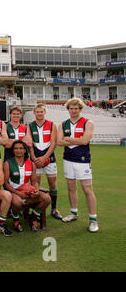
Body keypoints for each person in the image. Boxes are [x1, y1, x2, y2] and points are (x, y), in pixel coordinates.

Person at [57, 98, 98, 232]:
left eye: (76, 108)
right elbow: (59, 142)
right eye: (71, 108)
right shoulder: (63, 125)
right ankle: (73, 212)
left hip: (83, 160)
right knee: (71, 188)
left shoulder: (88, 123)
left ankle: (93, 219)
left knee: (87, 189)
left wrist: (68, 139)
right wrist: (76, 140)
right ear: (68, 109)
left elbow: (85, 140)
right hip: (68, 159)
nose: (73, 111)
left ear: (80, 109)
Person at [3, 140, 51, 232]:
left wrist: (36, 190)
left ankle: (33, 217)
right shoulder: (7, 163)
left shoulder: (31, 164)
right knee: (17, 203)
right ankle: (16, 219)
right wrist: (18, 193)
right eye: (16, 148)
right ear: (12, 150)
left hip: (27, 191)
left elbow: (34, 181)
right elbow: (5, 184)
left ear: (25, 150)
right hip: (14, 191)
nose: (19, 150)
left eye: (21, 148)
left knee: (47, 199)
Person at [26, 103, 62, 220]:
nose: (39, 114)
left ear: (44, 112)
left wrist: (45, 157)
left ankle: (54, 208)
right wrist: (34, 158)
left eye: (41, 111)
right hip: (35, 160)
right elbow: (29, 144)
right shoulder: (30, 126)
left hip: (49, 159)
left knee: (52, 183)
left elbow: (53, 143)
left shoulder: (52, 125)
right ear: (34, 113)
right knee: (36, 184)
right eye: (37, 111)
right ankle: (36, 207)